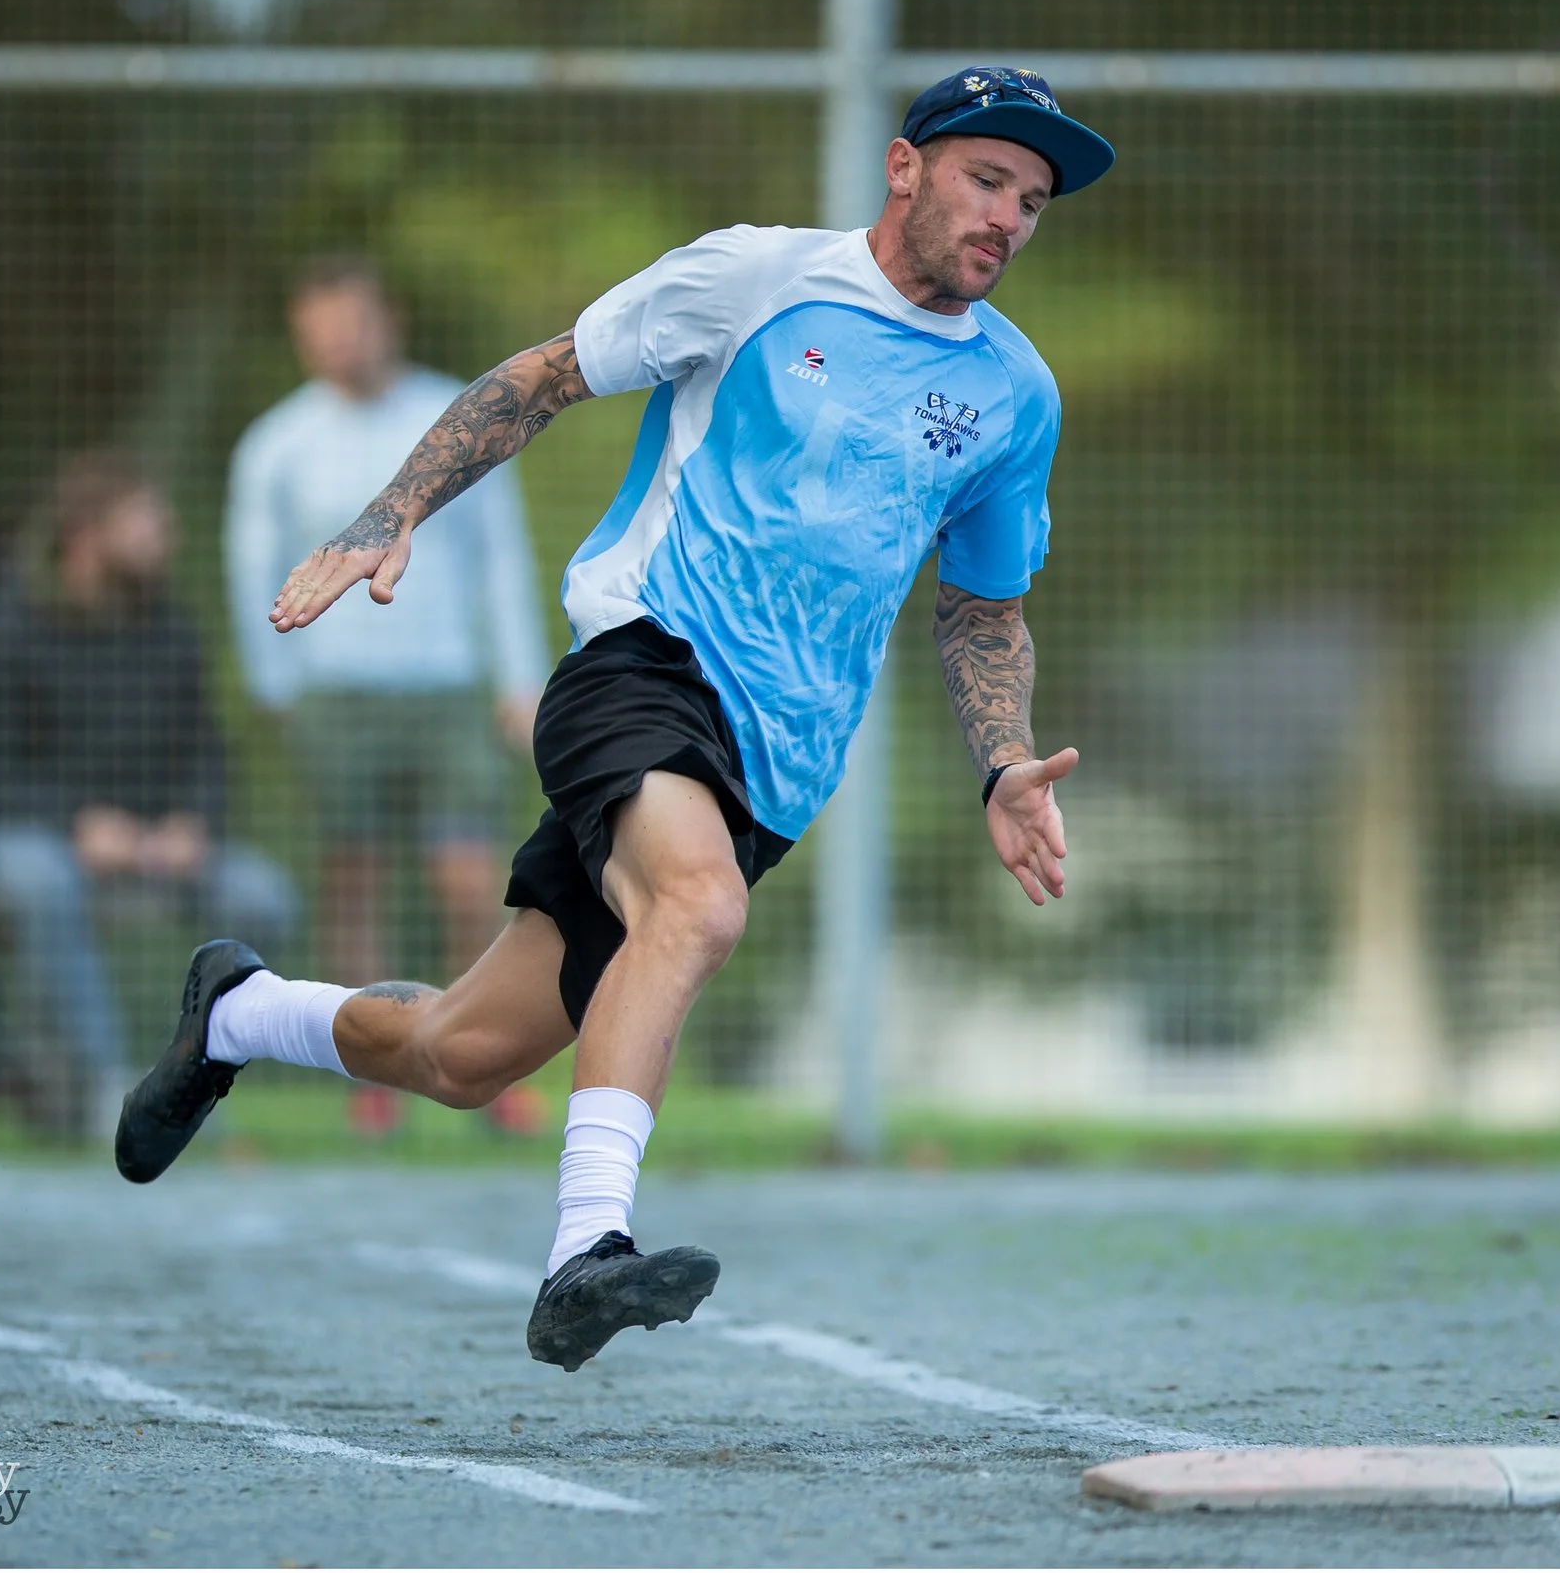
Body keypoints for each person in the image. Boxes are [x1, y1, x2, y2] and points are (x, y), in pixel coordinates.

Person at [117, 67, 1112, 1370]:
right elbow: (537, 379)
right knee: (696, 905)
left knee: (462, 1053)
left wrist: (1000, 766)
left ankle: (238, 1010)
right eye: (990, 179)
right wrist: (393, 508)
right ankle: (587, 1252)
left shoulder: (1012, 396)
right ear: (905, 167)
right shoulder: (760, 280)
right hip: (642, 660)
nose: (1010, 217)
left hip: (775, 765)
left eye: (1033, 201)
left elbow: (983, 612)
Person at [225, 257, 550, 1137]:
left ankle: (487, 1065)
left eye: (352, 320)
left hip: (446, 689)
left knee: (469, 879)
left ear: (387, 320)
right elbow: (251, 565)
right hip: (336, 694)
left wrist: (517, 679)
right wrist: (275, 683)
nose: (339, 340)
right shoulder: (278, 442)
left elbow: (502, 562)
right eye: (320, 325)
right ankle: (370, 1075)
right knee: (354, 881)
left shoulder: (453, 418)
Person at [0, 453, 299, 1140]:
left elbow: (207, 751)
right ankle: (111, 1087)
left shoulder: (170, 629)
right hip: (37, 836)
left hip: (153, 843)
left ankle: (185, 1078)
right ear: (87, 536)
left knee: (265, 899)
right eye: (146, 519)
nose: (166, 532)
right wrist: (75, 824)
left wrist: (192, 824)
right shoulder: (7, 629)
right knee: (43, 886)